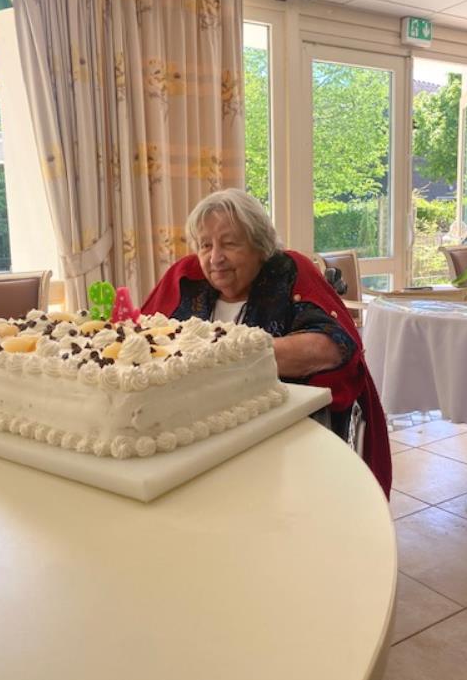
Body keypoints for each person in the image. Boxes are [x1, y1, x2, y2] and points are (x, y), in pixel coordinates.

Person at [141, 188, 392, 498]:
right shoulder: (185, 279)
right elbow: (140, 340)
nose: (215, 258)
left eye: (229, 243)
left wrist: (228, 353)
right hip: (187, 438)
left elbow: (332, 346)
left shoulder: (288, 271)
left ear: (259, 245)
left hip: (280, 445)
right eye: (205, 245)